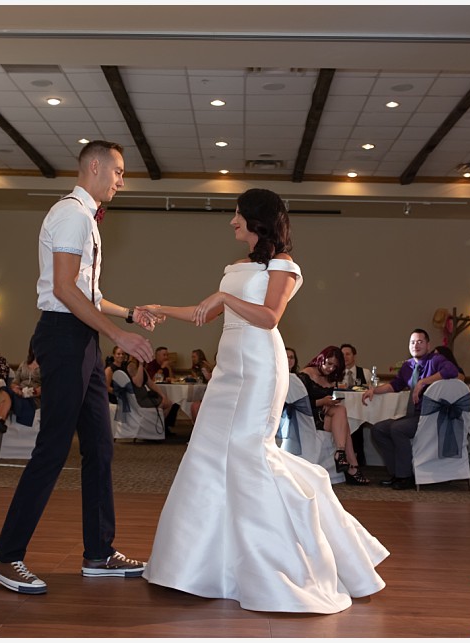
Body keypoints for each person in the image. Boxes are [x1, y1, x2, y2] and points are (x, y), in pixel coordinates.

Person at [141, 188, 387, 613]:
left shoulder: (284, 265)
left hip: (259, 365)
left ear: (256, 220)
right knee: (207, 451)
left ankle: (280, 558)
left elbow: (270, 316)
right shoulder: (237, 267)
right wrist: (159, 308)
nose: (231, 222)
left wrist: (224, 298)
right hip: (228, 366)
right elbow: (208, 311)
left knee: (249, 451)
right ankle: (198, 564)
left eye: (237, 215)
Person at [0, 140, 160, 595]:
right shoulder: (72, 214)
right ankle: (6, 556)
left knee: (100, 445)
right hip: (64, 336)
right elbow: (64, 289)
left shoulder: (87, 219)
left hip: (81, 335)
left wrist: (127, 314)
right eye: (118, 172)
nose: (122, 181)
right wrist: (119, 337)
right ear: (95, 167)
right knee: (54, 448)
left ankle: (99, 553)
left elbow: (88, 293)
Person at [362, 328, 459, 490]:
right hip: (415, 416)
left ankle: (405, 476)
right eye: (412, 342)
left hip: (432, 416)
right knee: (378, 429)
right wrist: (374, 390)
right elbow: (395, 385)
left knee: (398, 429)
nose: (416, 345)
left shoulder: (435, 360)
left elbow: (452, 371)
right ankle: (397, 474)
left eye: (420, 341)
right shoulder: (408, 366)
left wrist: (423, 382)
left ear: (428, 345)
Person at [298, 346, 369, 485]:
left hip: (323, 414)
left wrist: (328, 403)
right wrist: (321, 402)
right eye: (329, 364)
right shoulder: (306, 375)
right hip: (307, 416)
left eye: (335, 366)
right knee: (343, 419)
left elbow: (327, 400)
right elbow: (299, 403)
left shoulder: (330, 377)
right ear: (321, 359)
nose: (331, 368)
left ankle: (343, 457)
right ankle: (351, 465)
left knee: (341, 415)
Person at [0, 348, 42, 459]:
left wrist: (30, 392)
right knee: (4, 390)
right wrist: (16, 389)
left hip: (33, 399)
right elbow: (15, 382)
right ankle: (0, 420)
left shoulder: (48, 366)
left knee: (4, 397)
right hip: (18, 394)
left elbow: (47, 387)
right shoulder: (24, 364)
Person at [339, 342, 368, 470]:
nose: (345, 357)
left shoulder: (365, 372)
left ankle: (359, 460)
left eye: (348, 354)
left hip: (361, 409)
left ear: (354, 356)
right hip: (341, 407)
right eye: (342, 355)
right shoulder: (335, 373)